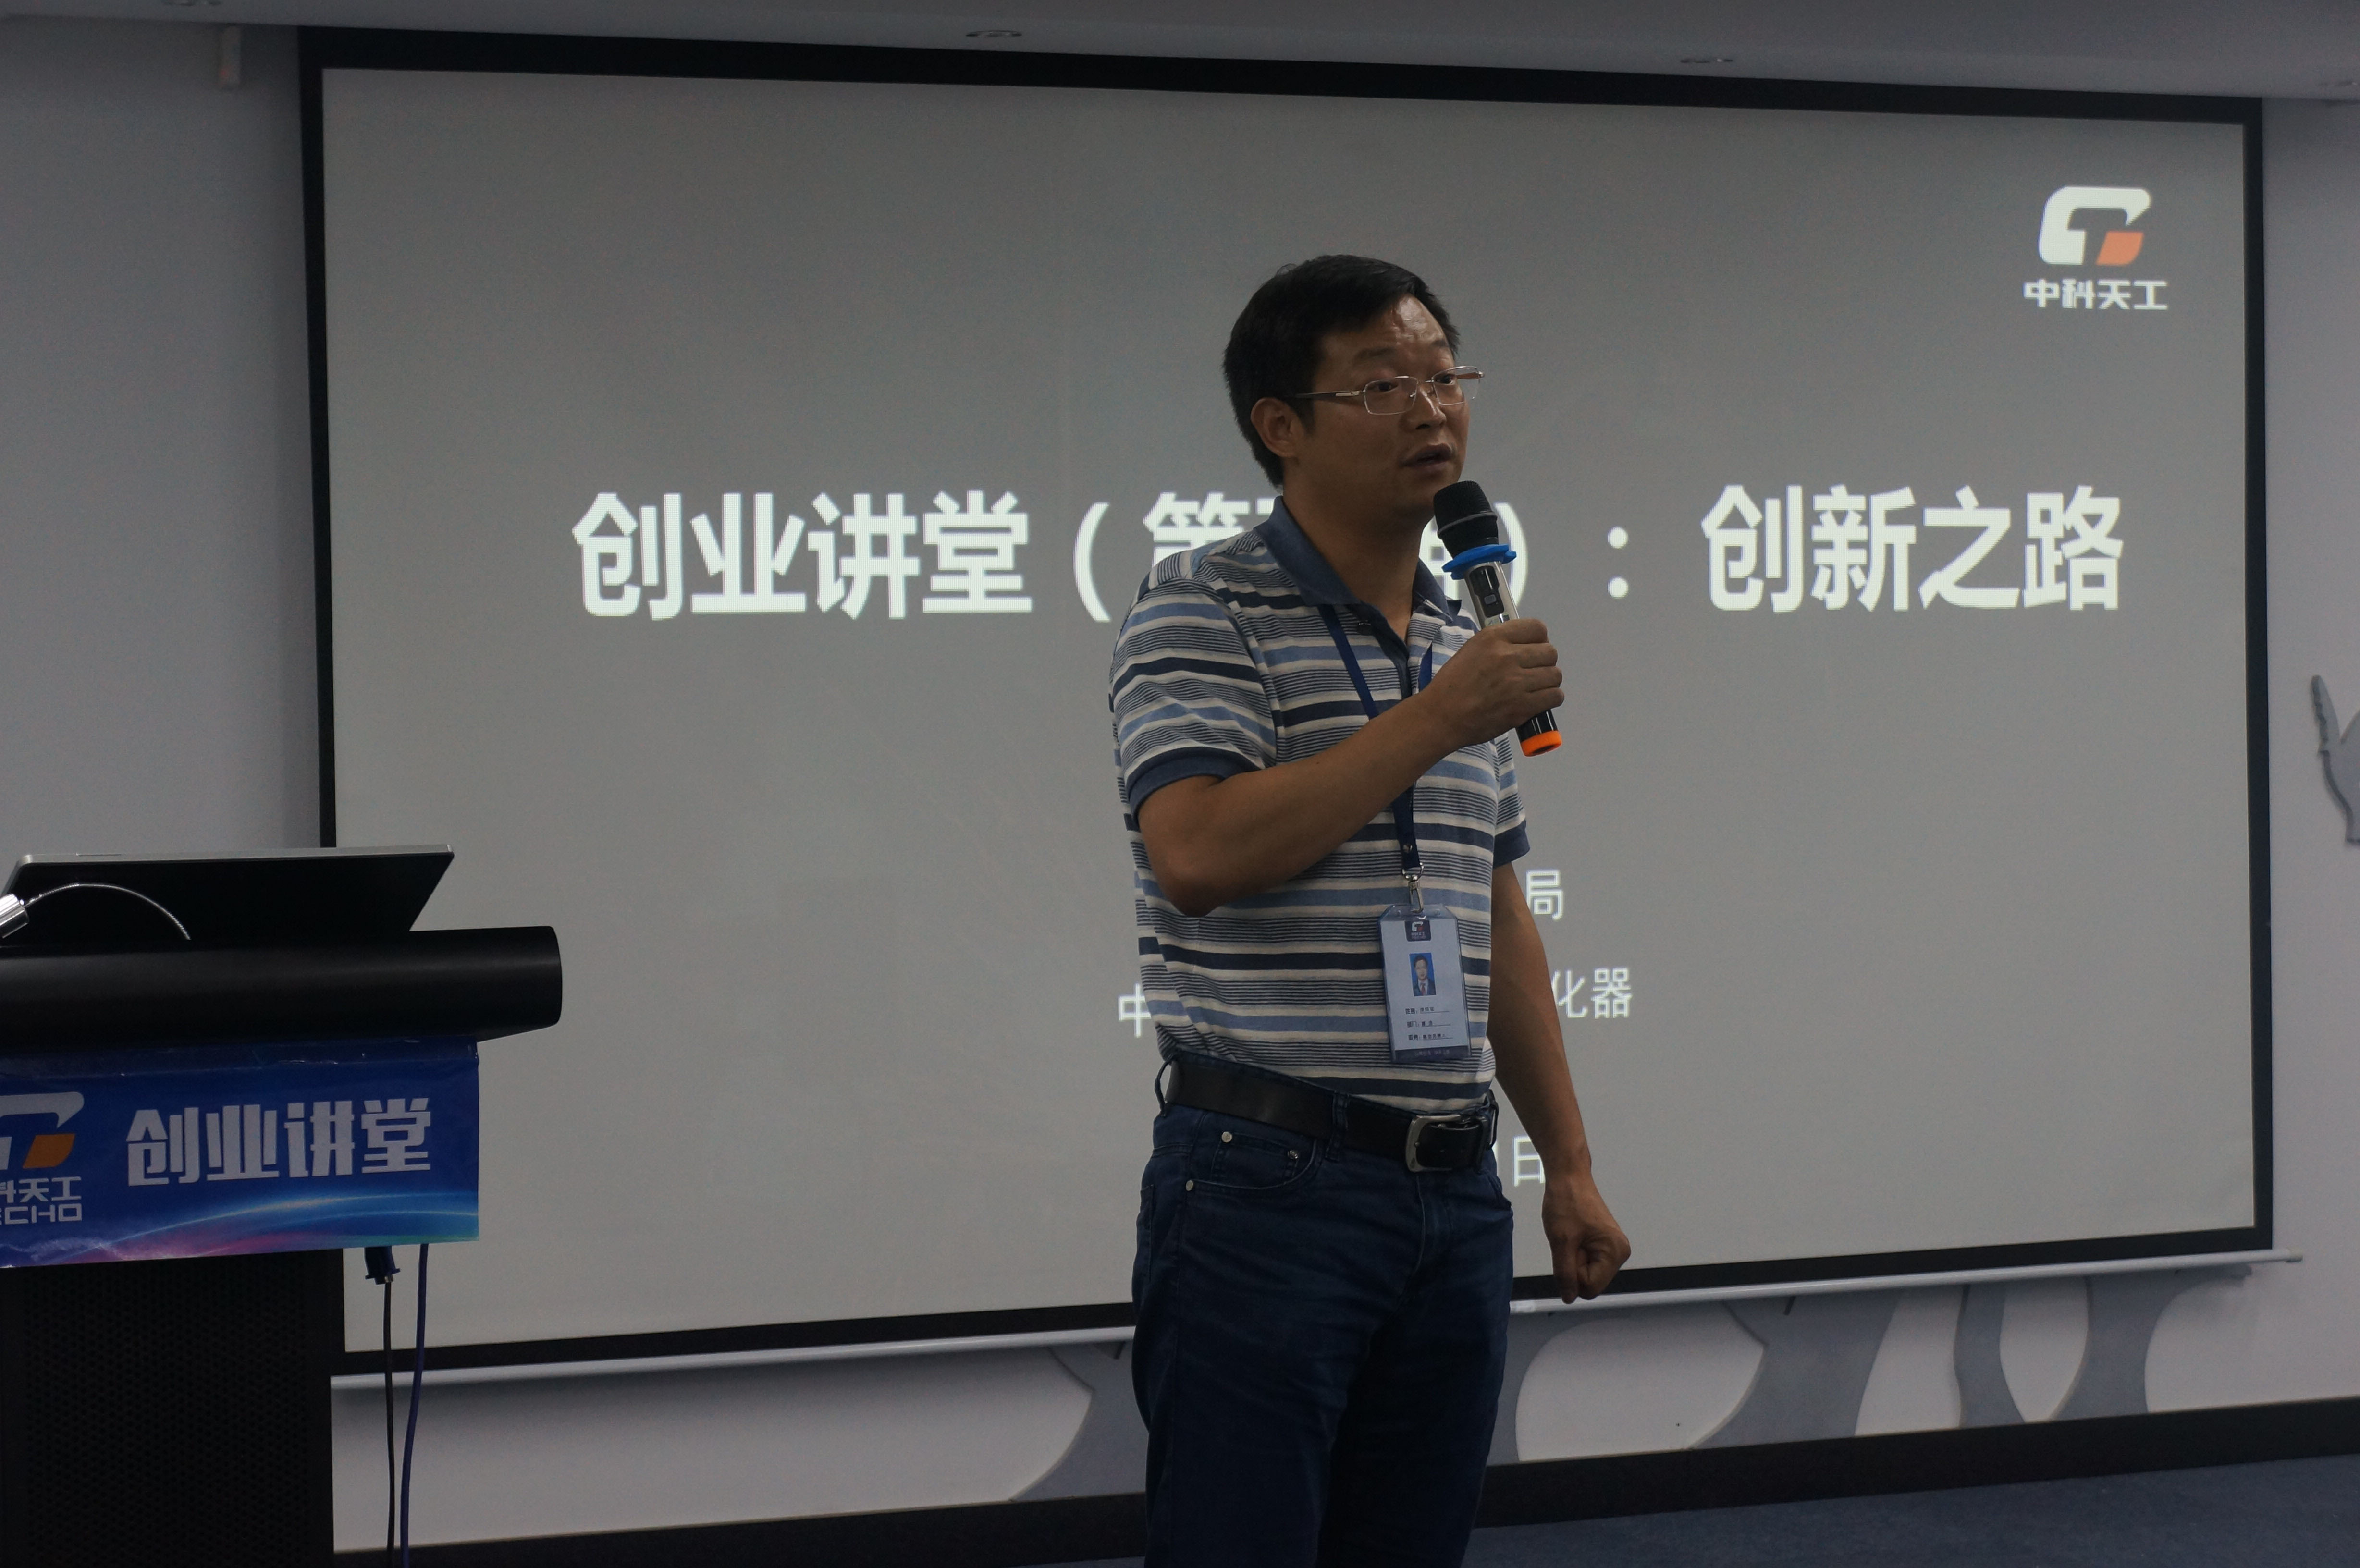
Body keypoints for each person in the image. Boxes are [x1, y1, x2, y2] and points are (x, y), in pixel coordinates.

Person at [1108, 255, 1630, 1568]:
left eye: (1446, 377)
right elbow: (1198, 851)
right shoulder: (1203, 604)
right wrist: (1440, 718)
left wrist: (1566, 1163)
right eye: (1382, 385)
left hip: (1453, 1192)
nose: (1431, 410)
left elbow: (1494, 908)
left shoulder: (1463, 633)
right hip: (1268, 1182)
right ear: (1280, 425)